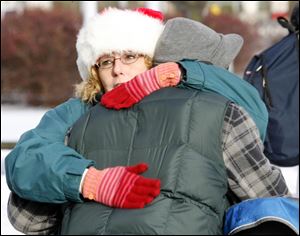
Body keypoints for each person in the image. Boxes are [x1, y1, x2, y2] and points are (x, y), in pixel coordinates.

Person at [5, 7, 290, 235]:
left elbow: (27, 220)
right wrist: (87, 181)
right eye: (105, 61)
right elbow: (25, 167)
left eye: (130, 56)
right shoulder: (80, 114)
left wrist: (181, 74)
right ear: (94, 72)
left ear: (153, 60)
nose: (117, 70)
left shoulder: (208, 107)